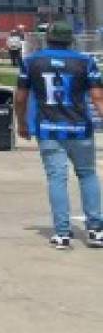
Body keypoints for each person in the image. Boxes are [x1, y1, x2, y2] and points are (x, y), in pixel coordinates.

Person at [15, 20, 103, 249]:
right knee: (87, 175)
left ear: (48, 38)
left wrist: (22, 123)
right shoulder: (86, 61)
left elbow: (20, 98)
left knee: (57, 178)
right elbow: (97, 98)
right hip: (79, 127)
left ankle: (62, 233)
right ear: (71, 40)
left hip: (49, 128)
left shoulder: (32, 62)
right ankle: (95, 229)